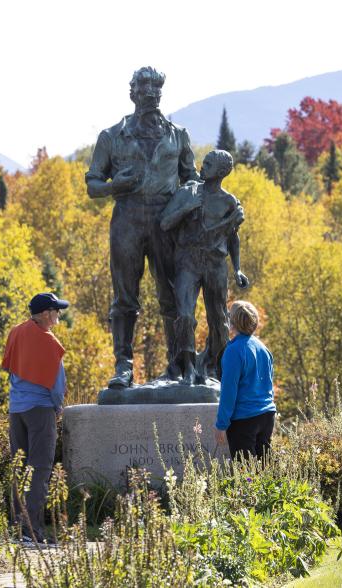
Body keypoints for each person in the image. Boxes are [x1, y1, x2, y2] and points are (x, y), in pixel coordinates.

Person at [85, 66, 199, 388]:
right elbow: (93, 184)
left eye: (156, 93)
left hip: (167, 221)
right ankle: (124, 366)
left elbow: (192, 177)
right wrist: (113, 186)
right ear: (133, 94)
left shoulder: (178, 135)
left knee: (173, 295)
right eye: (145, 91)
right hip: (127, 220)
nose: (151, 97)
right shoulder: (112, 136)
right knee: (125, 298)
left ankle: (177, 364)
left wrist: (190, 193)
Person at [160, 149, 249, 385]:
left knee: (219, 322)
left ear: (220, 172)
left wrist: (237, 268)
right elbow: (165, 222)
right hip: (187, 261)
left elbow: (233, 237)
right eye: (204, 162)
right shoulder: (187, 192)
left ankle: (213, 368)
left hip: (216, 264)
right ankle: (187, 367)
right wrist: (186, 208)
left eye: (208, 164)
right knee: (185, 315)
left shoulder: (228, 202)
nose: (202, 166)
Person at [1, 292, 69, 544]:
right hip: (40, 410)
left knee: (20, 467)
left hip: (16, 410)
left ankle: (18, 528)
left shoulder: (16, 332)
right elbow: (56, 385)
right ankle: (32, 532)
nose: (58, 315)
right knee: (39, 469)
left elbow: (10, 369)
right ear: (44, 314)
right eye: (55, 310)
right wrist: (58, 407)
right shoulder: (49, 342)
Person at [214, 301, 276, 459]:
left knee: (246, 474)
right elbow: (269, 385)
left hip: (244, 420)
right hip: (267, 415)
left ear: (232, 322)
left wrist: (221, 424)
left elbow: (229, 391)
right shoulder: (263, 348)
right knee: (265, 471)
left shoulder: (233, 350)